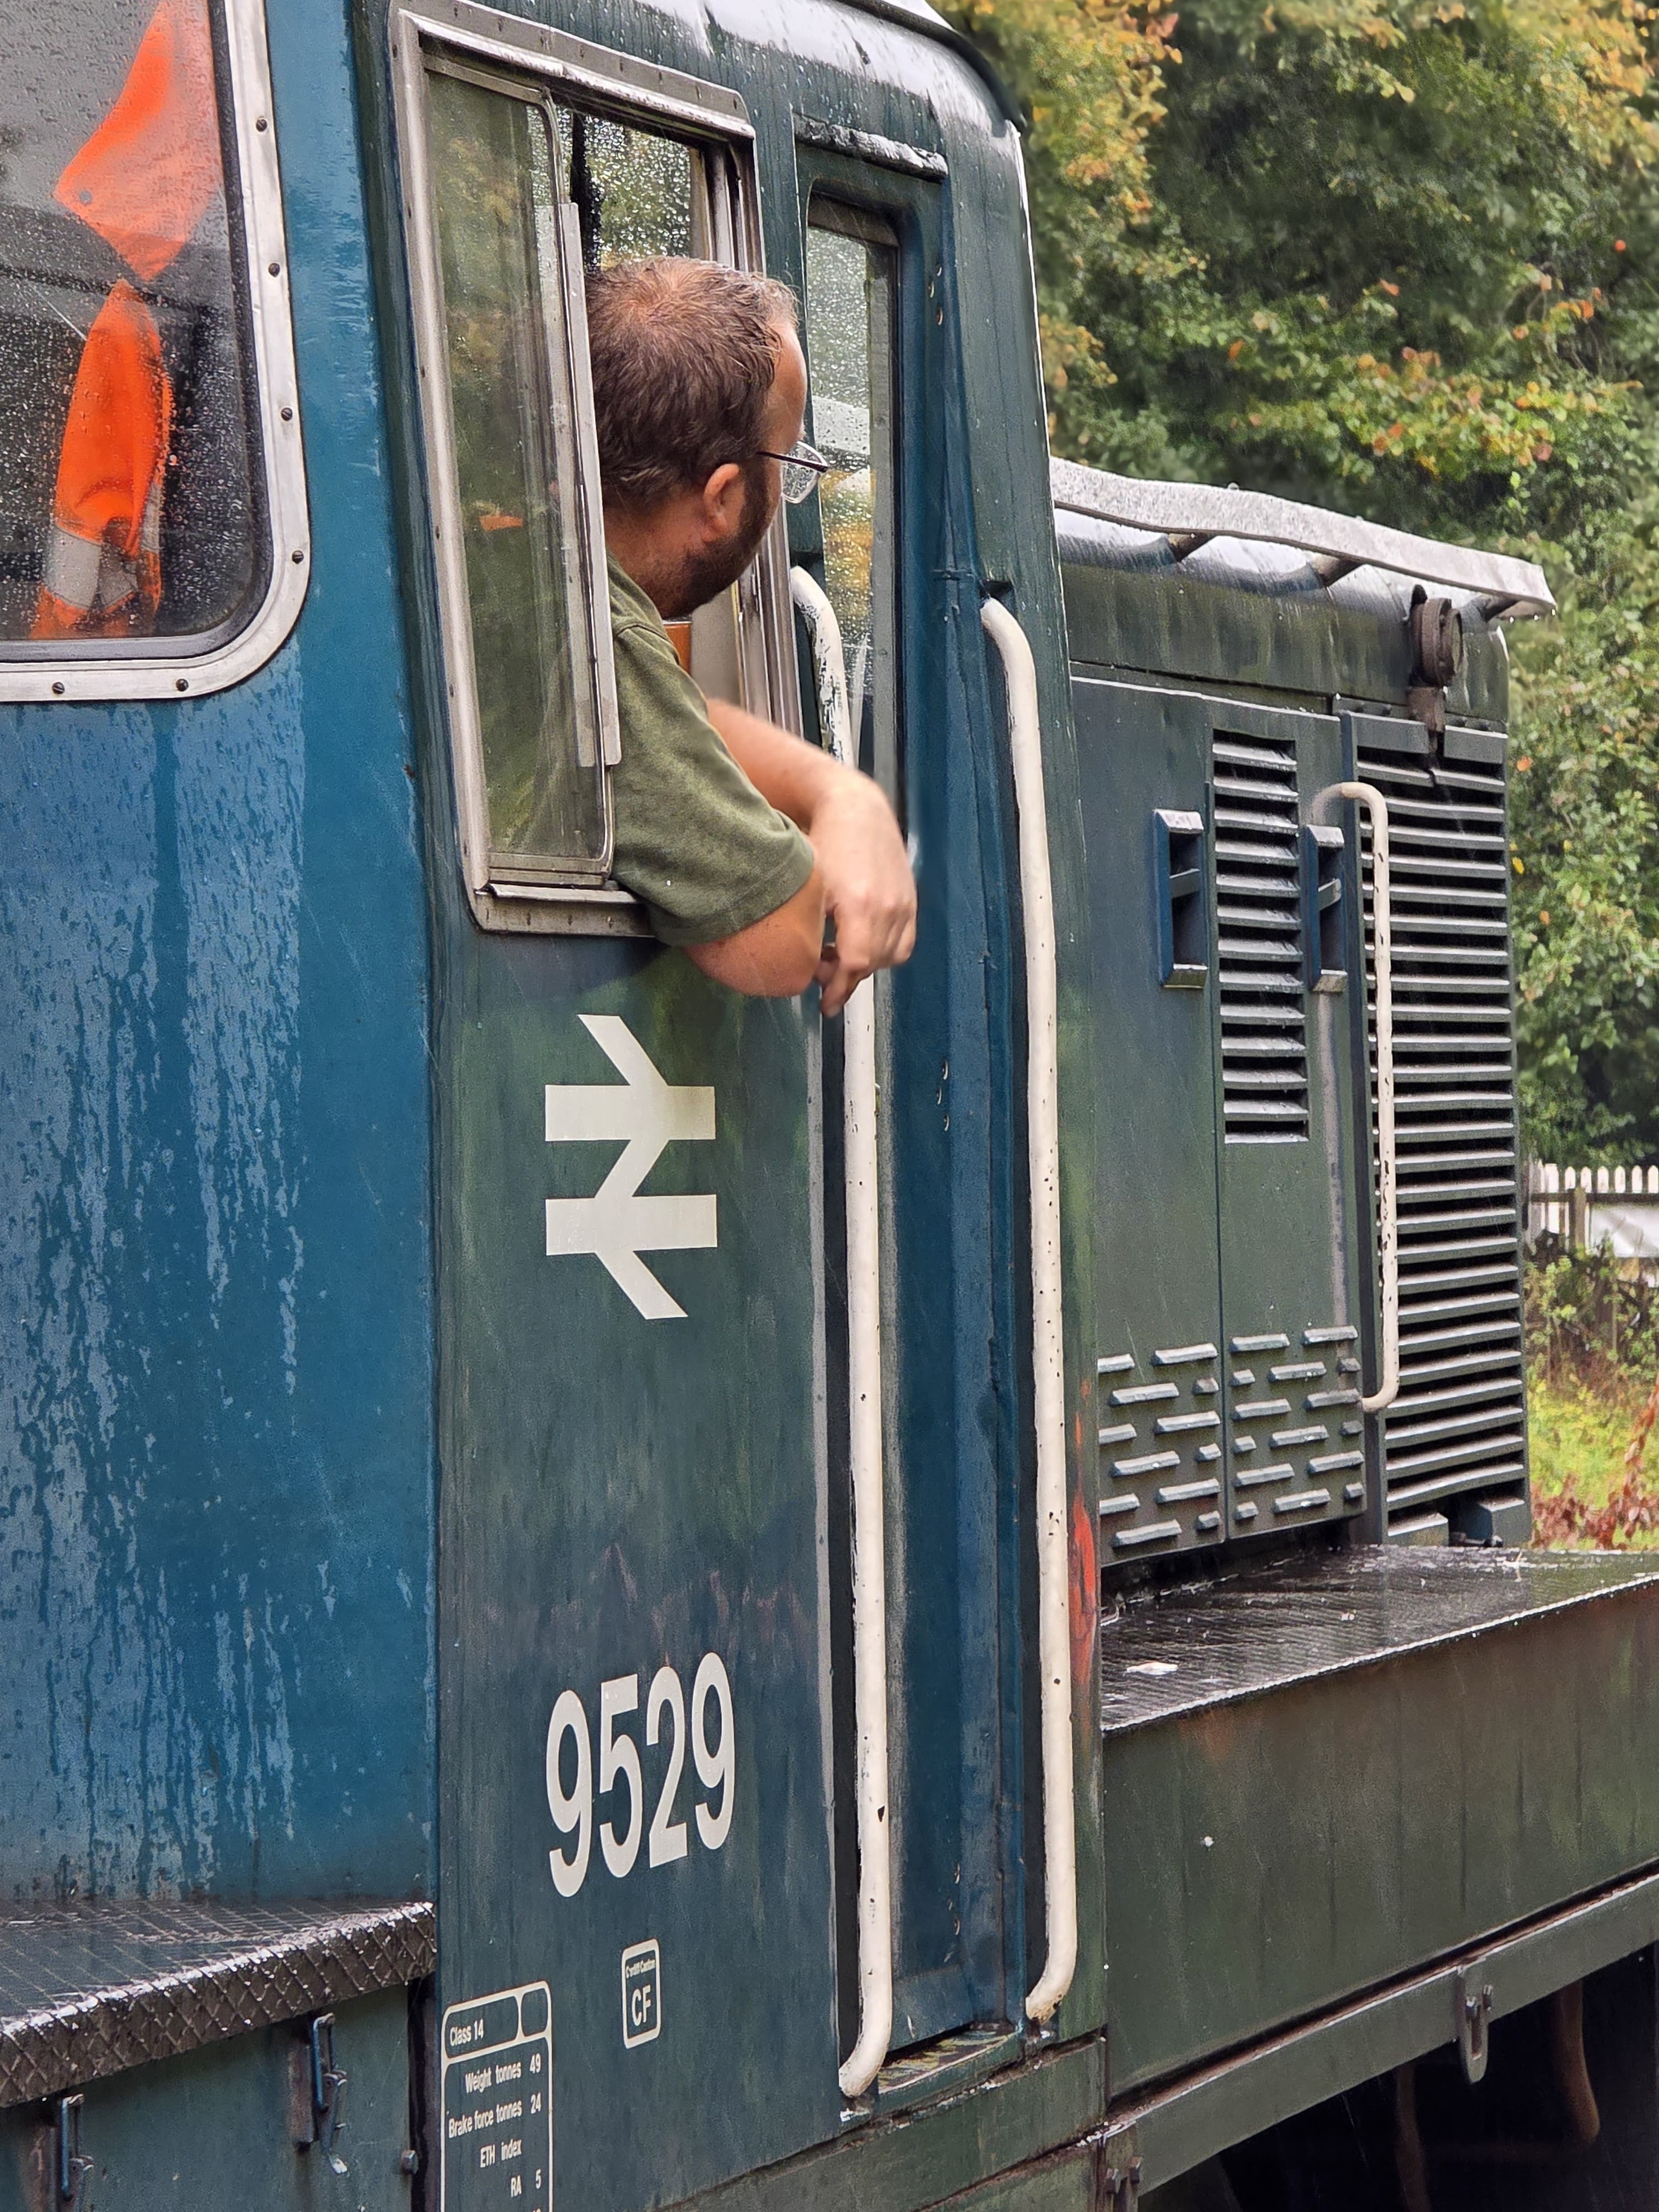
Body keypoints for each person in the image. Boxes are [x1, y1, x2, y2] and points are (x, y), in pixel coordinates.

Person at [583, 256, 915, 1017]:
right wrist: (829, 869)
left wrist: (841, 793)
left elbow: (681, 719)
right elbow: (778, 940)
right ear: (723, 496)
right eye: (789, 465)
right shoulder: (601, 641)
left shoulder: (525, 567)